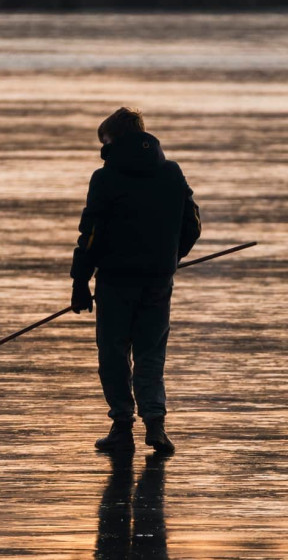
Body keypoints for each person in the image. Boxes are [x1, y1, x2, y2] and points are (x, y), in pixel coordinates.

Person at [70, 107, 201, 454]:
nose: (103, 152)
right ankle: (155, 424)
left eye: (105, 144)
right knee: (150, 353)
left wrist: (80, 282)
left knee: (113, 353)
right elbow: (193, 226)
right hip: (158, 281)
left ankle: (122, 426)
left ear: (115, 141)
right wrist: (170, 258)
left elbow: (91, 236)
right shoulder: (172, 173)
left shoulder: (106, 178)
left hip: (115, 281)